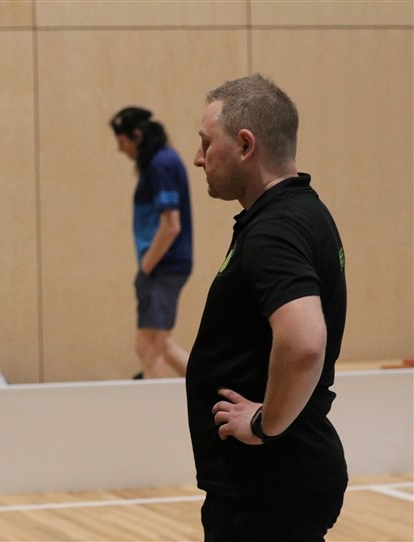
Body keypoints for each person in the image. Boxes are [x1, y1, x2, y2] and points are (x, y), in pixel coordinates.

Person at [186, 74, 348, 541]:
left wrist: (263, 425)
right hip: (277, 482)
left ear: (245, 144)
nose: (198, 158)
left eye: (206, 143)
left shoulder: (274, 229)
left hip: (267, 487)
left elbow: (304, 342)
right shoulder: (302, 212)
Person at [110, 107, 193, 378]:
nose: (120, 149)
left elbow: (171, 225)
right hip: (165, 265)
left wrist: (146, 267)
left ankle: (158, 405)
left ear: (137, 136)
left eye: (122, 141)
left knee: (147, 346)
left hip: (162, 266)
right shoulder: (163, 161)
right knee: (161, 344)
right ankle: (210, 393)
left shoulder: (161, 164)